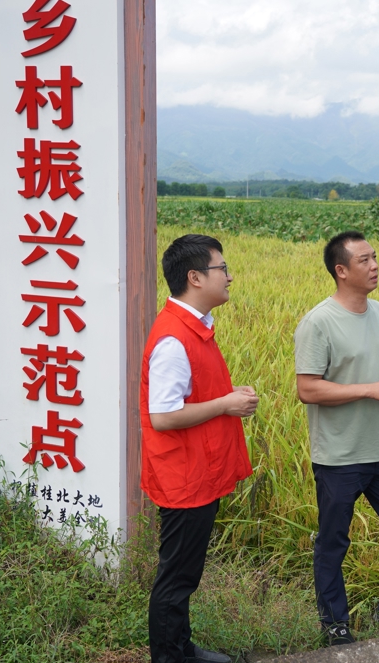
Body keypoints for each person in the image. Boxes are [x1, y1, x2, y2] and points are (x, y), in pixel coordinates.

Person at [294, 231, 379, 646]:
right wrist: (372, 389)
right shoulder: (318, 322)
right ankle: (335, 623)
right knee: (334, 541)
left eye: (375, 258)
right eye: (364, 260)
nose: (375, 266)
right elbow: (307, 389)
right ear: (341, 270)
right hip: (339, 455)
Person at [140, 234, 259, 663]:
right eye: (221, 268)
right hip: (184, 477)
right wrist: (226, 404)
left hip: (197, 471)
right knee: (177, 577)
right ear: (195, 277)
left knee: (184, 574)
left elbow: (192, 395)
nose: (229, 276)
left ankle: (180, 648)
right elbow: (163, 415)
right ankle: (169, 656)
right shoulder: (174, 339)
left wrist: (226, 397)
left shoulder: (194, 327)